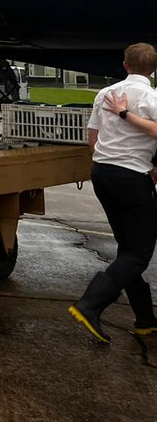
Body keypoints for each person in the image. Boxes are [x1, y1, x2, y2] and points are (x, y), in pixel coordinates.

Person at [67, 42, 157, 343]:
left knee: (127, 247)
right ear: (153, 69)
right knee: (140, 252)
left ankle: (145, 318)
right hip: (132, 177)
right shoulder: (151, 97)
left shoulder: (105, 93)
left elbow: (92, 135)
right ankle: (90, 305)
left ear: (125, 65)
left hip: (103, 172)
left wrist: (105, 158)